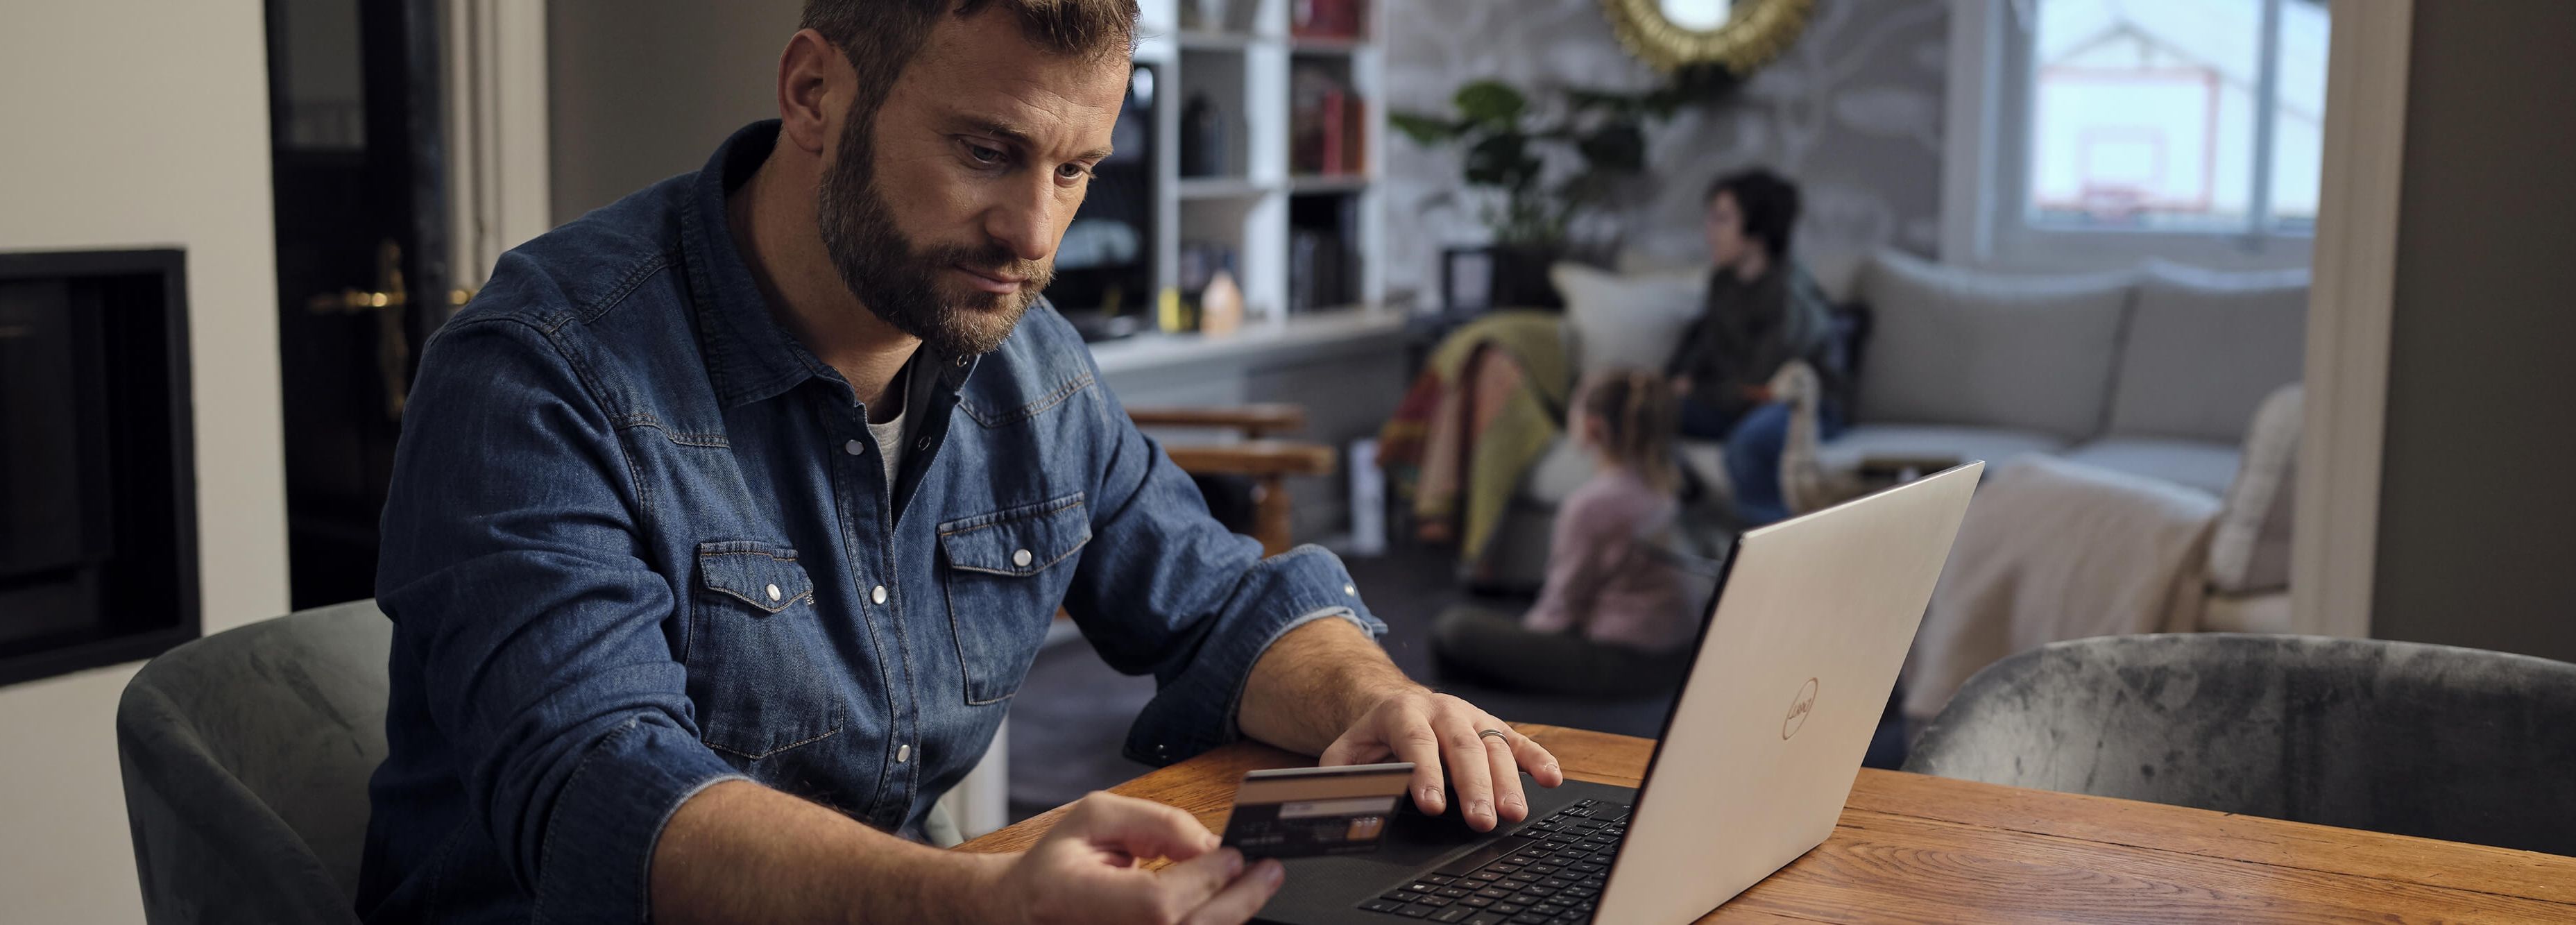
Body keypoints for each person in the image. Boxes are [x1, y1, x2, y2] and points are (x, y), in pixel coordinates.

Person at [357, 3, 1563, 922]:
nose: (1036, 235)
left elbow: (1224, 604)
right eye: (988, 152)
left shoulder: (1024, 361)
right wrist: (977, 901)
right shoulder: (540, 372)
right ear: (817, 91)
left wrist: (1373, 699)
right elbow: (604, 795)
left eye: (1077, 168)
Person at [1431, 371, 1702, 697]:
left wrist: (1524, 640)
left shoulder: (1591, 505)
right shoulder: (1670, 483)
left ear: (1592, 427)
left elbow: (1560, 610)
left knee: (1454, 628)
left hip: (1626, 663)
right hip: (1681, 655)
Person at [1666, 169, 1845, 525]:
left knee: (1748, 445)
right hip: (1735, 399)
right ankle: (1696, 518)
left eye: (1722, 219)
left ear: (1757, 233)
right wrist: (1675, 382)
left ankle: (1770, 547)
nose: (1709, 232)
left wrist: (1699, 390)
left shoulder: (1789, 296)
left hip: (1799, 403)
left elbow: (1765, 387)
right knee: (1646, 413)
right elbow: (1703, 346)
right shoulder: (1723, 283)